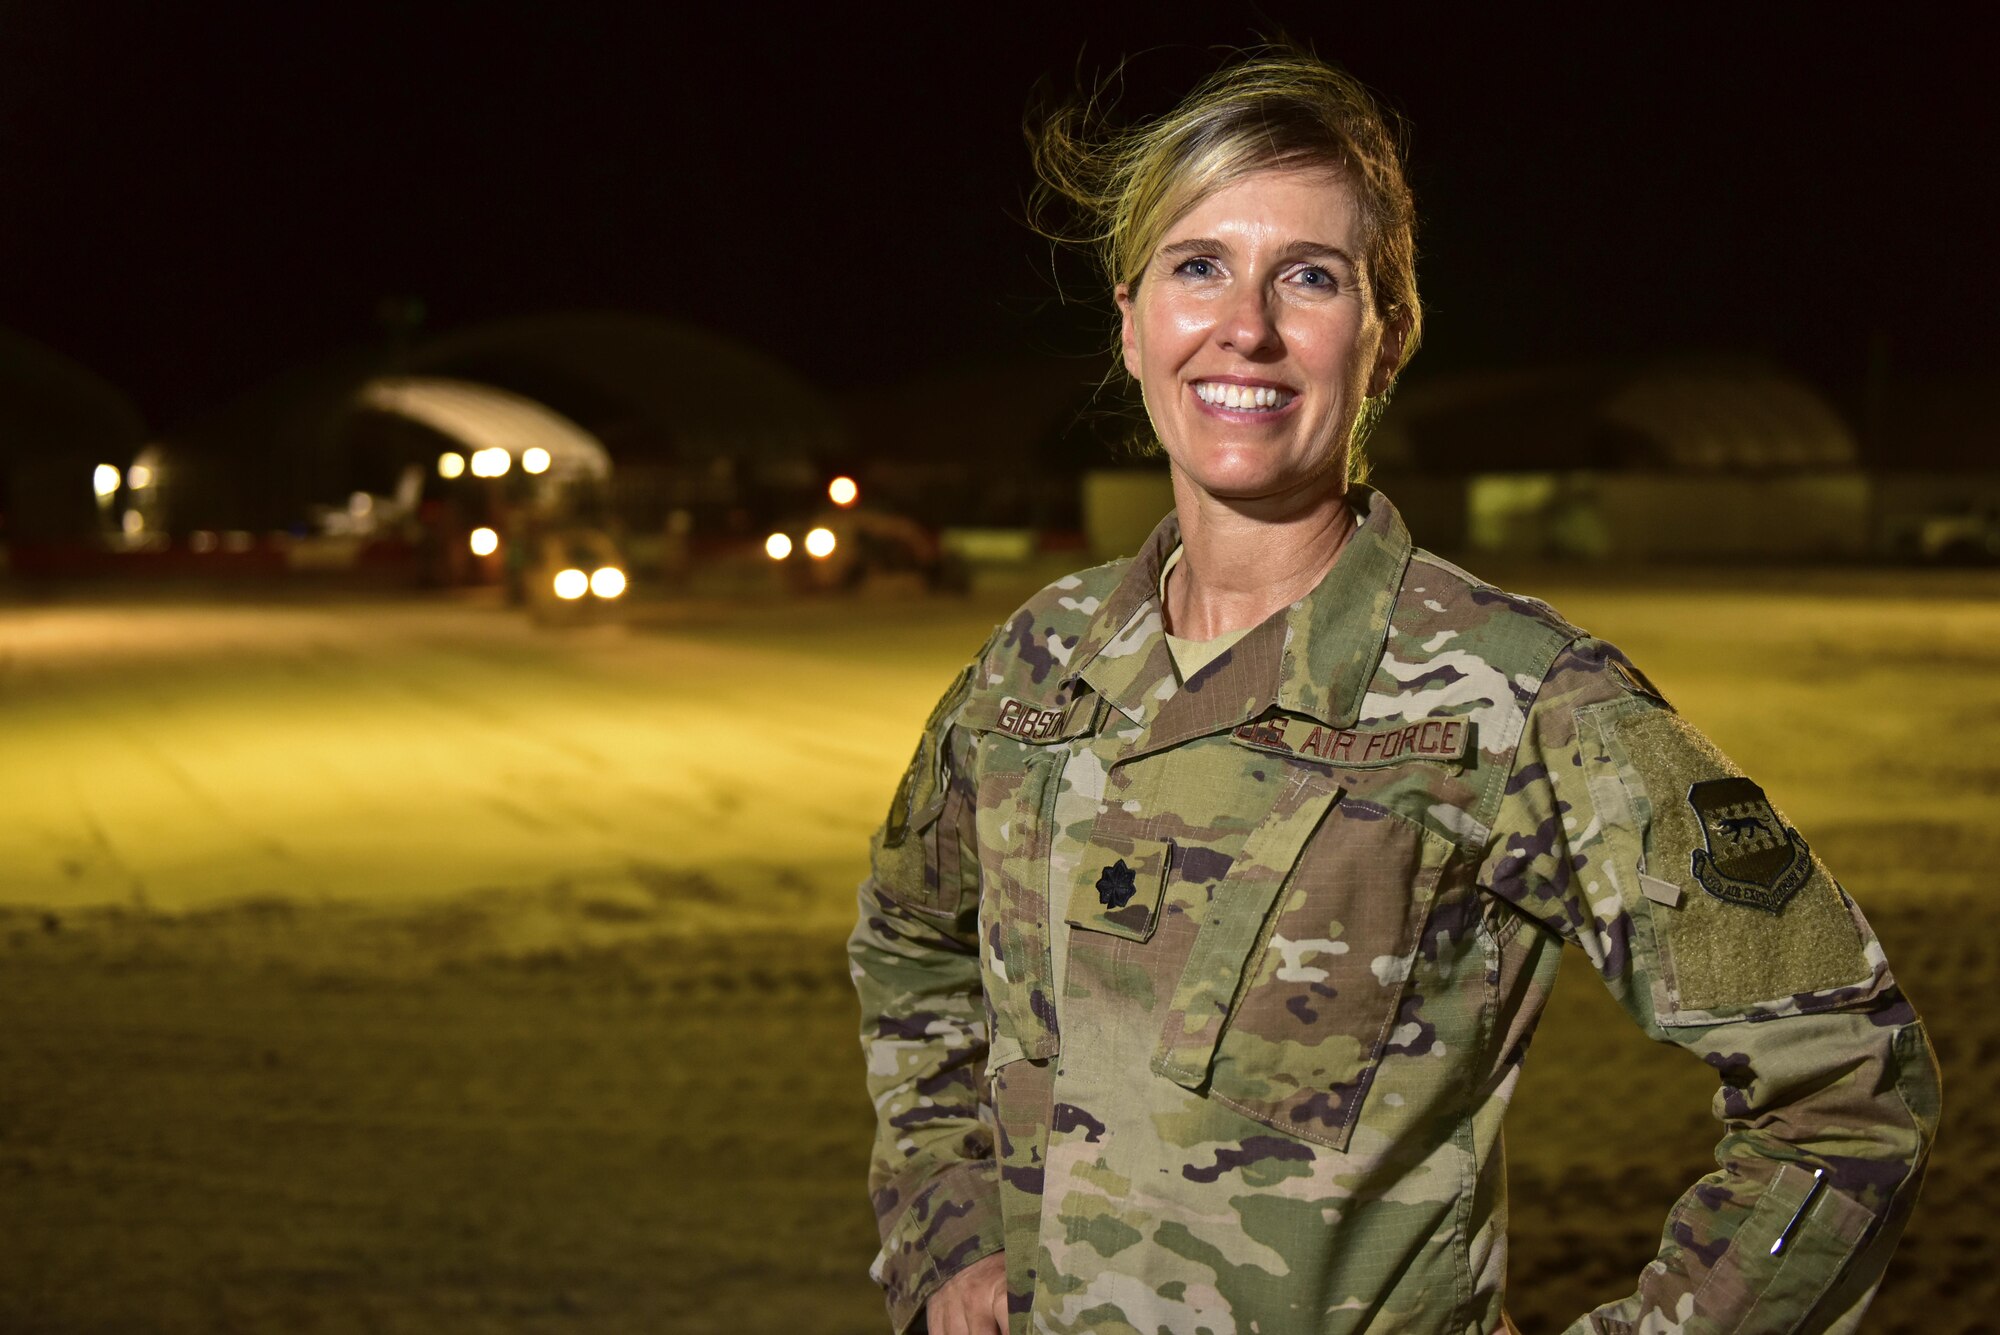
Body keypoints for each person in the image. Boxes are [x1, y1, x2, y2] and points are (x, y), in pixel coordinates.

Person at [848, 49, 1938, 1335]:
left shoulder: (1516, 698)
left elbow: (1847, 1088)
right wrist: (948, 1229)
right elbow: (911, 948)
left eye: (1307, 276)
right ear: (1131, 321)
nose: (1242, 326)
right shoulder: (1033, 663)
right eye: (1199, 266)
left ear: (1386, 338)